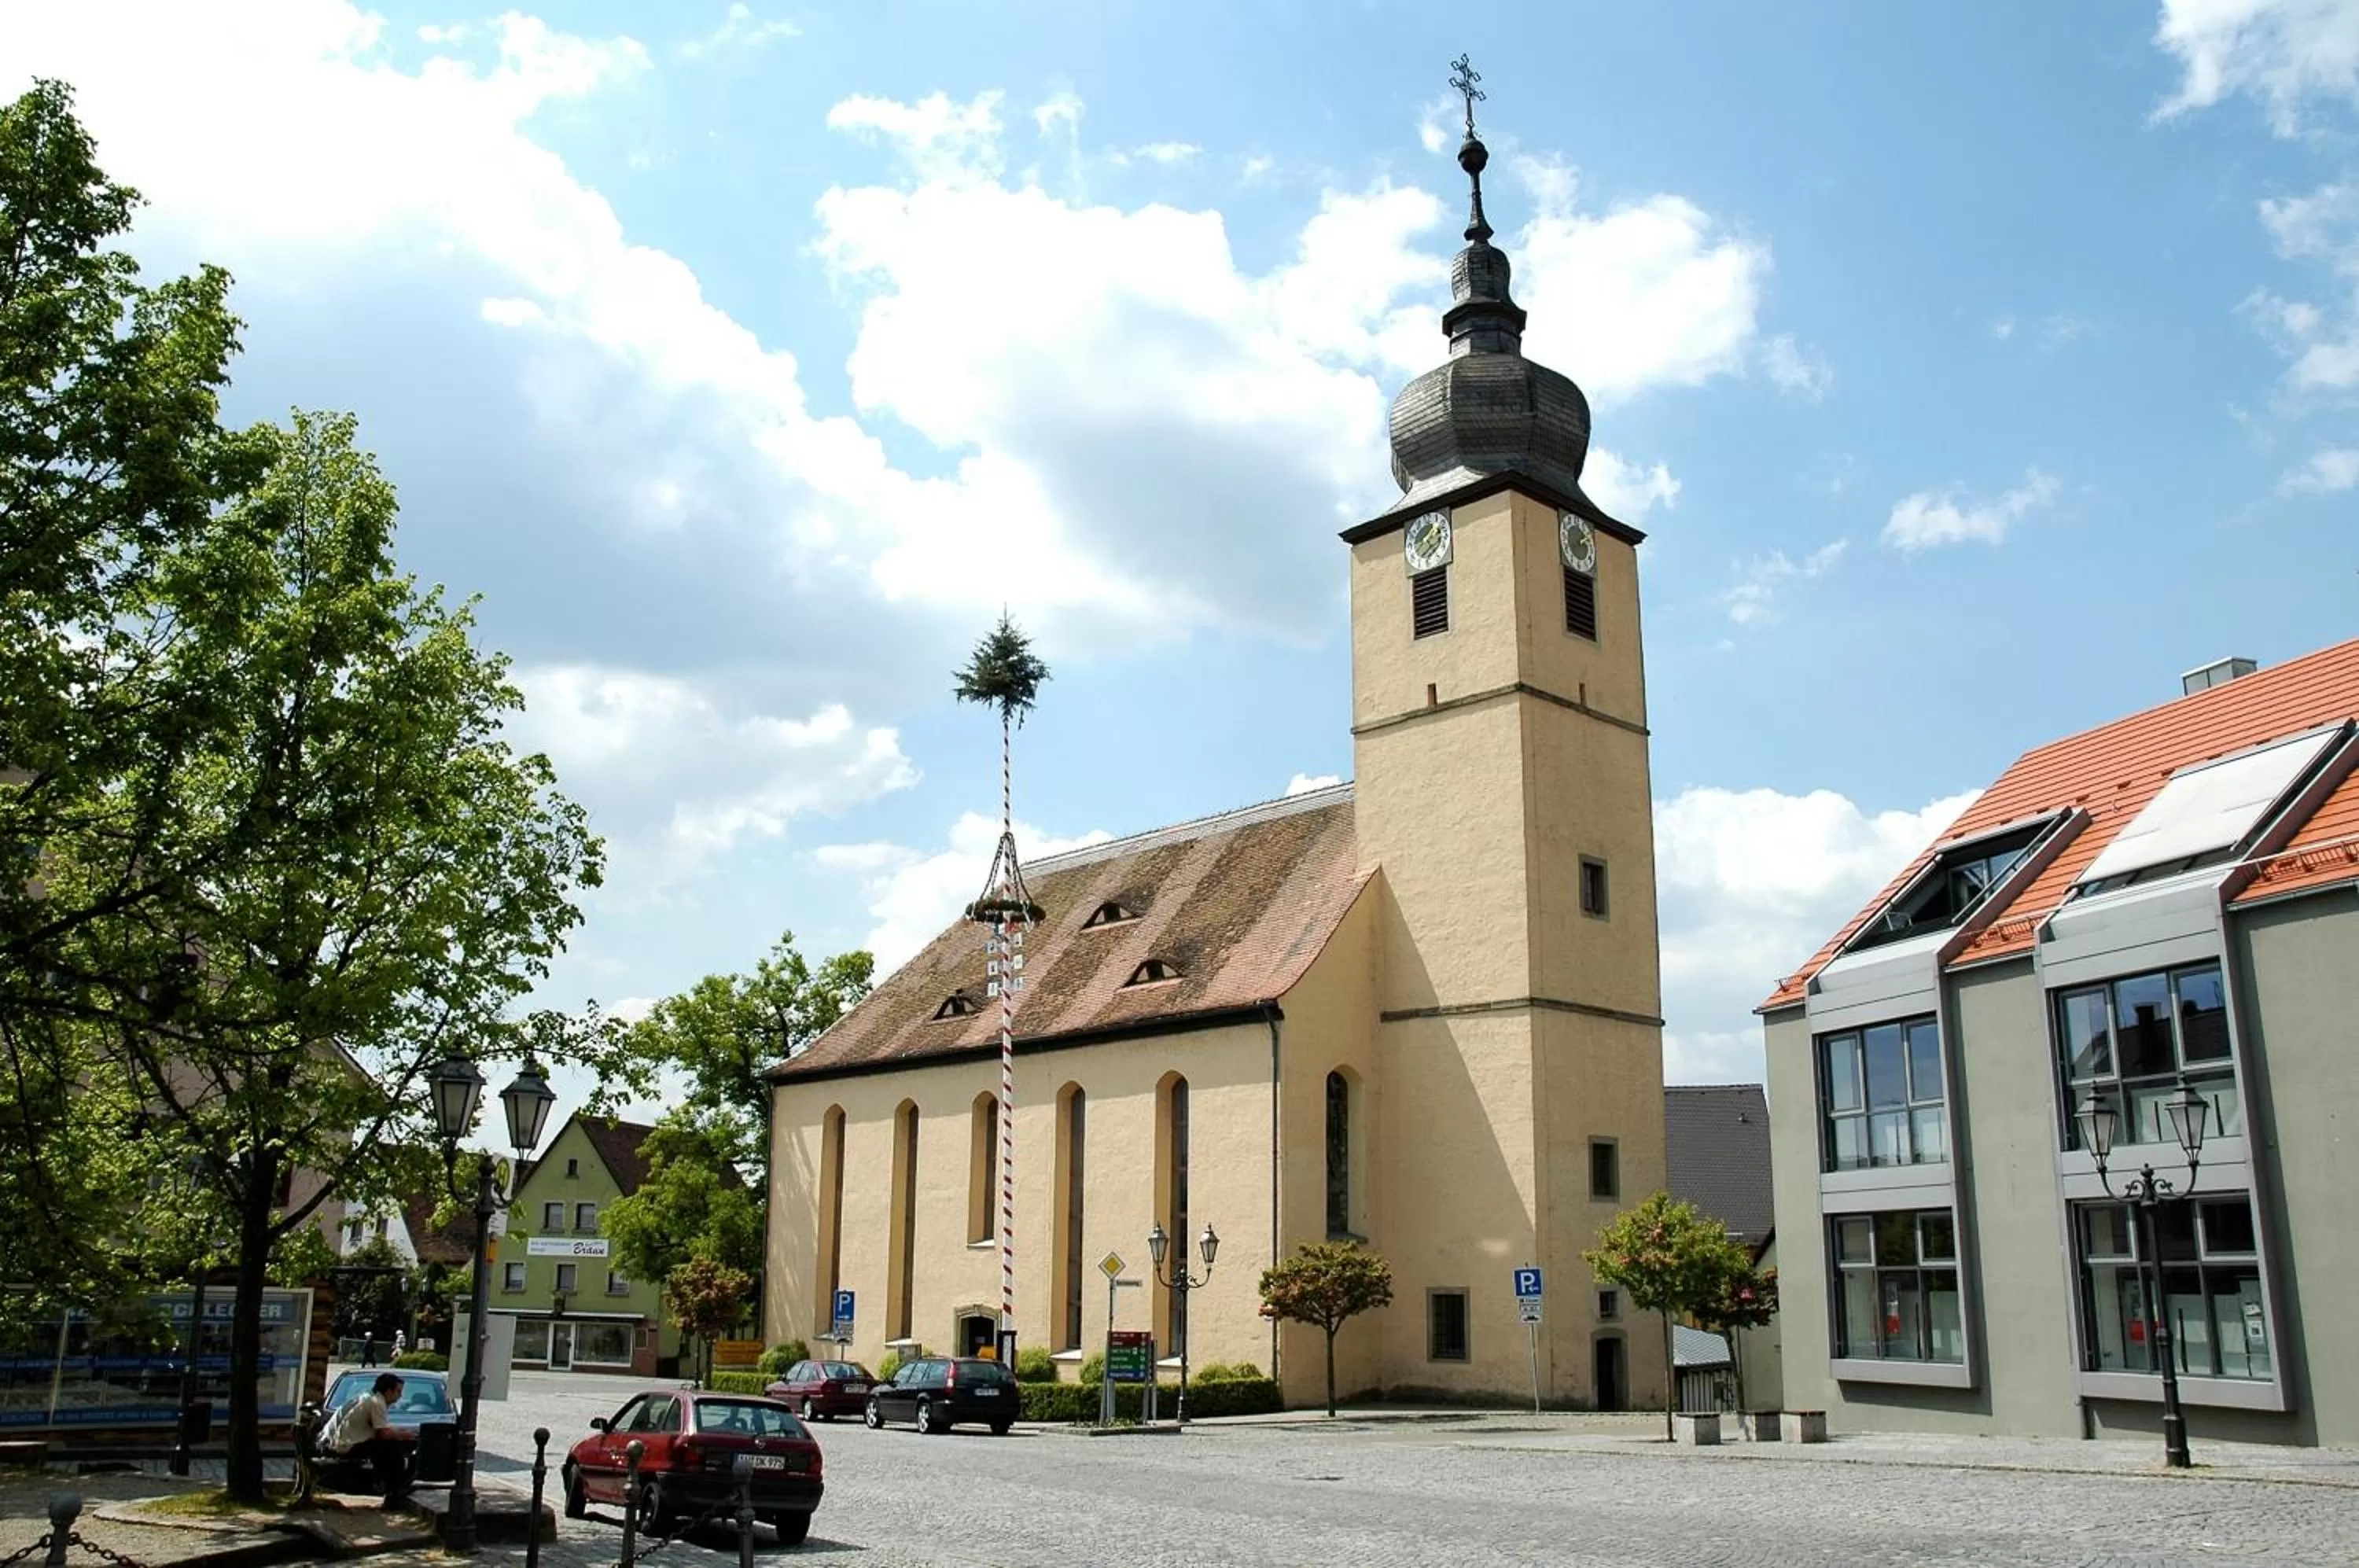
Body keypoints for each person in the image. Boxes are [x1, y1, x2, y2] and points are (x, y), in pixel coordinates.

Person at [328, 1372, 415, 1505]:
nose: (400, 1396)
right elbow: (383, 1433)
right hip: (347, 1446)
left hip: (345, 1442)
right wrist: (406, 1435)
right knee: (392, 1448)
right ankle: (395, 1490)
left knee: (388, 1446)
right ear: (388, 1391)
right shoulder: (377, 1402)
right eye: (398, 1392)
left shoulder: (370, 1398)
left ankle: (392, 1488)